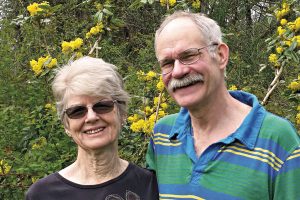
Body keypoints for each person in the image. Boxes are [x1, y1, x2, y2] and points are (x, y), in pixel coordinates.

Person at [146, 11, 300, 199]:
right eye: (168, 63)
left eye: (188, 56)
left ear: (220, 55)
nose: (178, 71)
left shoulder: (278, 141)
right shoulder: (162, 136)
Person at [26, 56, 159, 200]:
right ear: (67, 125)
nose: (91, 117)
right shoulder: (42, 194)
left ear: (122, 113)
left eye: (102, 106)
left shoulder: (150, 185)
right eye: (77, 111)